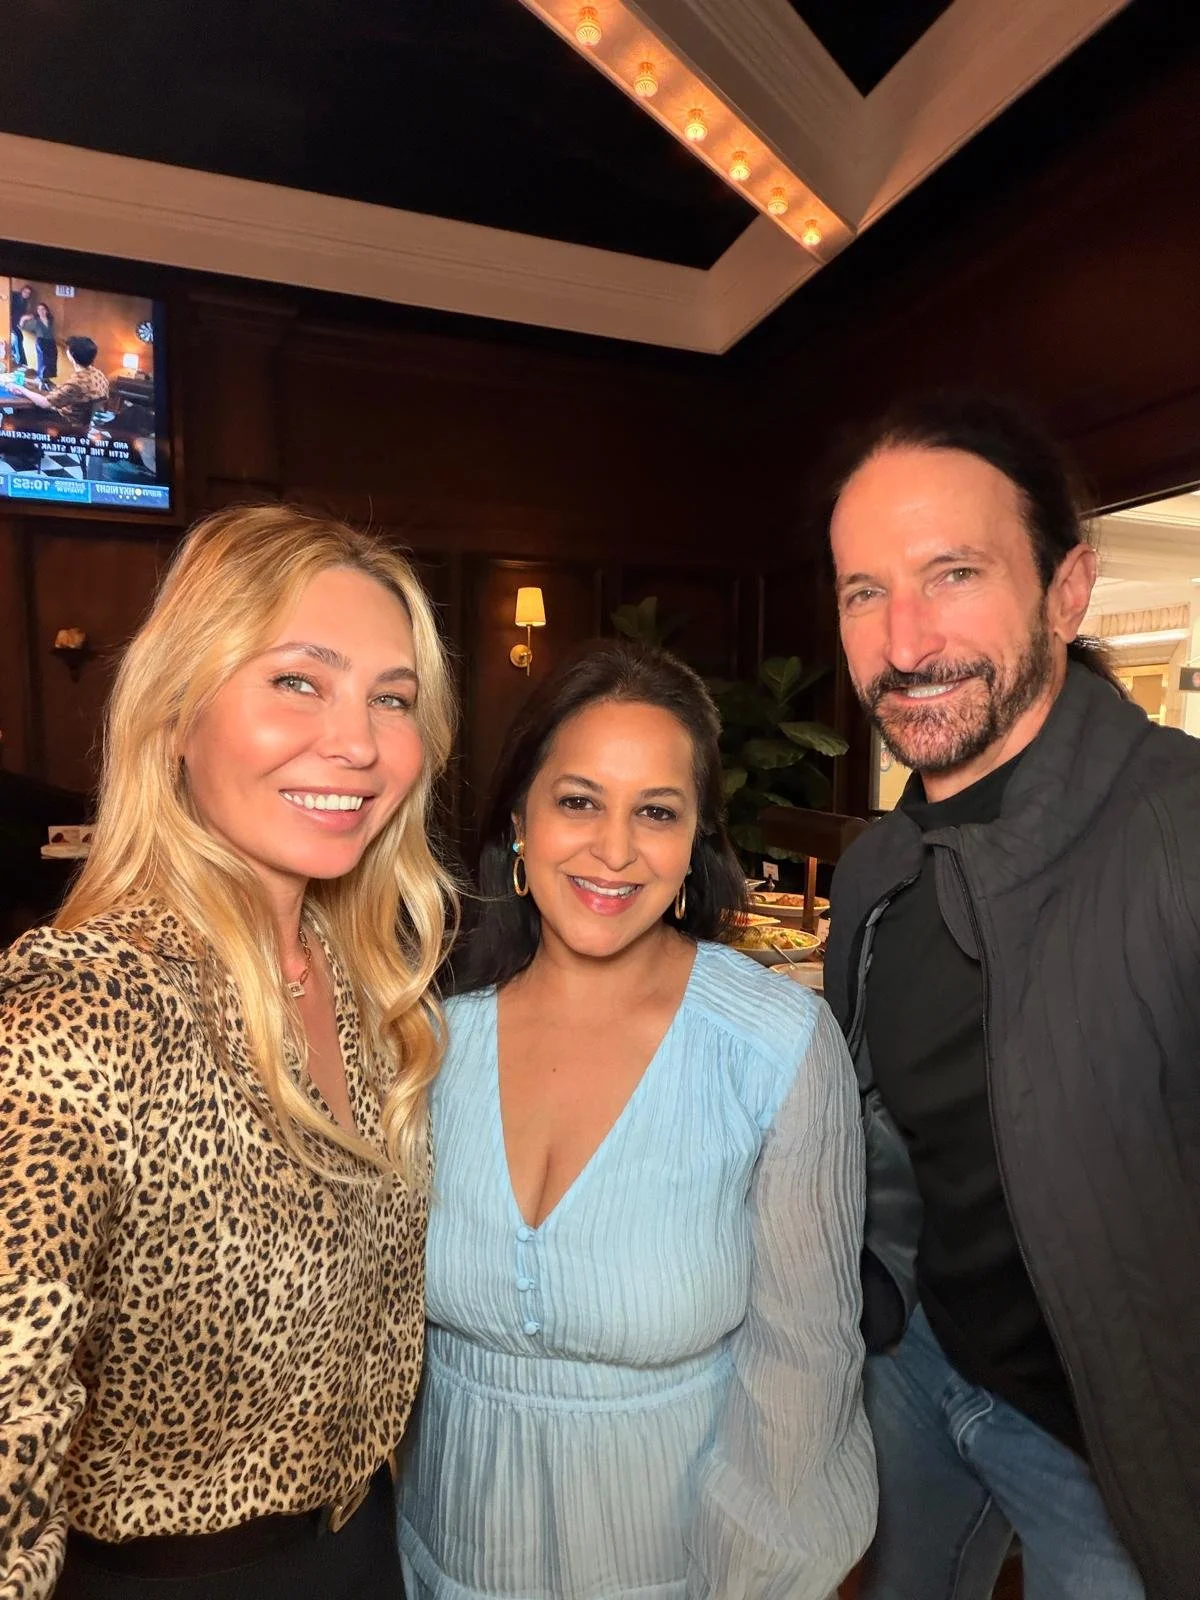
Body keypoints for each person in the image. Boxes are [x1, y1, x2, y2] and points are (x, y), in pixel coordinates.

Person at [0, 504, 457, 1599]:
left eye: (391, 698)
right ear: (175, 715)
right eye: (298, 680)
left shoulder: (362, 985)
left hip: (361, 1545)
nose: (357, 742)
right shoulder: (81, 1009)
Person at [397, 639, 876, 1599]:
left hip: (680, 1565)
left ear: (696, 842)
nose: (614, 850)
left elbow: (802, 1363)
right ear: (520, 818)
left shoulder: (774, 1044)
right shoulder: (426, 1025)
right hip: (441, 1554)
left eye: (656, 812)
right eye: (579, 801)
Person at [822, 391, 1200, 1600]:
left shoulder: (1181, 831)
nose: (907, 639)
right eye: (864, 590)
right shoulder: (881, 861)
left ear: (1068, 589)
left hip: (1108, 1444)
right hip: (923, 1366)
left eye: (953, 573)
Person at [0, 333, 109, 429]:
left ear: (71, 355)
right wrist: (31, 387)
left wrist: (21, 388)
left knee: (15, 415)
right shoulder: (98, 374)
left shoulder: (77, 382)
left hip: (65, 423)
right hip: (82, 421)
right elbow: (63, 393)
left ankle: (21, 447)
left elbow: (45, 403)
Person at [18, 300, 57, 384]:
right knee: (43, 361)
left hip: (51, 342)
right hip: (41, 342)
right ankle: (41, 380)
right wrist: (23, 319)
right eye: (39, 309)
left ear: (46, 310)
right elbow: (23, 328)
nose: (41, 311)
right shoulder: (36, 321)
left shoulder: (50, 320)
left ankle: (46, 380)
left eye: (43, 309)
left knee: (51, 362)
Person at [9, 282, 33, 369]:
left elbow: (21, 315)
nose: (27, 294)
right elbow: (9, 310)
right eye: (25, 292)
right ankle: (21, 361)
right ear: (22, 291)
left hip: (16, 323)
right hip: (9, 321)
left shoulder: (25, 302)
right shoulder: (14, 296)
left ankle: (21, 361)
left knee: (19, 338)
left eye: (28, 293)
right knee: (17, 338)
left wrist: (23, 320)